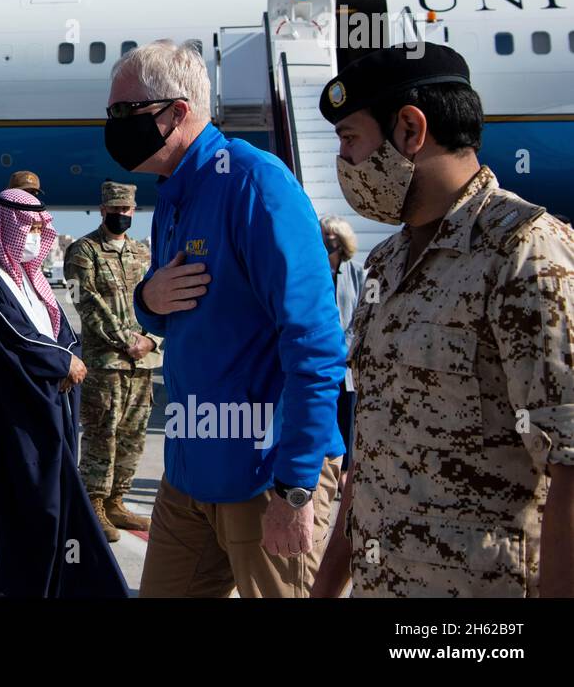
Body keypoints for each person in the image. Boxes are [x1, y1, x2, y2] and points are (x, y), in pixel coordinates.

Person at [311, 43, 574, 598]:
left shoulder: (524, 251)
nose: (345, 164)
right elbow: (374, 459)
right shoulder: (385, 263)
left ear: (410, 129)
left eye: (350, 139)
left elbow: (569, 466)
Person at [105, 39, 347, 598]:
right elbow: (180, 313)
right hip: (191, 467)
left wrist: (296, 487)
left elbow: (315, 344)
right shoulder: (172, 196)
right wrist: (148, 300)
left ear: (178, 112)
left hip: (266, 471)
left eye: (123, 112)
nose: (112, 125)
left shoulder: (254, 184)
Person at [0, 188, 129, 597]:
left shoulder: (31, 277)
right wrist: (61, 363)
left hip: (48, 410)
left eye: (39, 227)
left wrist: (69, 358)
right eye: (28, 227)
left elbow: (62, 332)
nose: (35, 235)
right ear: (5, 226)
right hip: (4, 417)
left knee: (47, 513)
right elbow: (14, 335)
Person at [64, 179, 163, 540]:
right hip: (106, 362)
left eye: (126, 209)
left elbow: (157, 302)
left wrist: (151, 341)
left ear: (133, 211)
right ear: (102, 209)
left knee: (133, 435)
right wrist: (127, 341)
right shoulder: (83, 251)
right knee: (101, 433)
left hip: (142, 364)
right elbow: (86, 302)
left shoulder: (142, 253)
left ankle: (117, 501)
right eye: (114, 209)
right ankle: (93, 505)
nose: (120, 215)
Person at [319, 214, 365, 474]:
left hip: (346, 366)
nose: (325, 241)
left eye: (330, 237)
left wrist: (342, 349)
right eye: (322, 235)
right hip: (322, 362)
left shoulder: (357, 272)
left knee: (346, 422)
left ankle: (344, 476)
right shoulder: (316, 272)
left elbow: (362, 316)